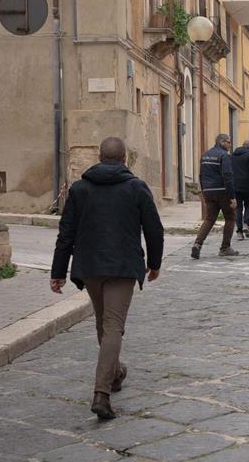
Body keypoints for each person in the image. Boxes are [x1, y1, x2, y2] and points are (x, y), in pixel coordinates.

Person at [50, 137, 164, 420]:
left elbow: (66, 233)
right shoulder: (136, 188)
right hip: (123, 266)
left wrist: (58, 272)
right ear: (125, 158)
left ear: (100, 157)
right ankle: (101, 393)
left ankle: (115, 374)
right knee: (113, 327)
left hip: (90, 266)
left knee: (104, 323)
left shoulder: (80, 189)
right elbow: (154, 229)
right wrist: (154, 264)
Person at [192, 134, 238, 258]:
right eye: (228, 142)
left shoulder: (205, 155)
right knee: (230, 217)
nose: (230, 145)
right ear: (222, 142)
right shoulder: (224, 156)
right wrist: (232, 196)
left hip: (208, 191)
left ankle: (197, 244)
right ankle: (225, 248)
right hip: (222, 192)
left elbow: (201, 175)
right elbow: (227, 176)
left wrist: (203, 191)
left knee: (209, 219)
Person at [232, 140, 249, 240]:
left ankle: (239, 232)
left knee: (238, 208)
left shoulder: (233, 156)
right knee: (248, 205)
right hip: (247, 185)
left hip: (235, 185)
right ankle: (246, 224)